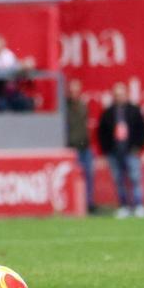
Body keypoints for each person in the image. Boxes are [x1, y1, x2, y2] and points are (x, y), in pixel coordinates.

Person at [97, 82, 144, 218]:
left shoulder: (134, 110)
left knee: (135, 178)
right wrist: (106, 150)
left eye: (122, 94)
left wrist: (138, 147)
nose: (119, 97)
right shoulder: (108, 112)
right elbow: (102, 133)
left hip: (131, 150)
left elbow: (142, 130)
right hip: (115, 152)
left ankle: (138, 205)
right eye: (117, 95)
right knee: (119, 180)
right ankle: (123, 205)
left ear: (126, 95)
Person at [64, 80, 95, 213]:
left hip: (84, 146)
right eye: (72, 91)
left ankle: (89, 204)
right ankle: (72, 205)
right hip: (72, 147)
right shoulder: (64, 107)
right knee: (71, 178)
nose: (74, 93)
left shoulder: (83, 105)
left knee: (88, 176)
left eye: (76, 91)